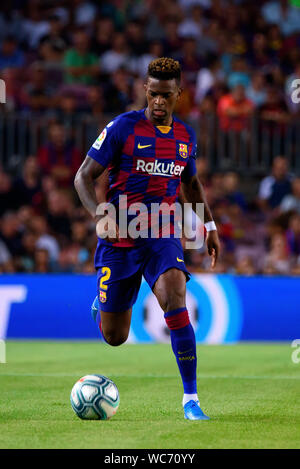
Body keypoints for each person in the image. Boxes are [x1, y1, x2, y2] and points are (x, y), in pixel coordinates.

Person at [74, 58, 220, 421]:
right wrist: (100, 214)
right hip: (121, 237)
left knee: (174, 294)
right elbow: (82, 178)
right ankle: (102, 304)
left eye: (166, 96)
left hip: (162, 233)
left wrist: (209, 227)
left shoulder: (186, 138)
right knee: (114, 337)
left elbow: (190, 184)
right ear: (145, 90)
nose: (158, 102)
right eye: (153, 94)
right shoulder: (123, 128)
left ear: (179, 95)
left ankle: (191, 399)